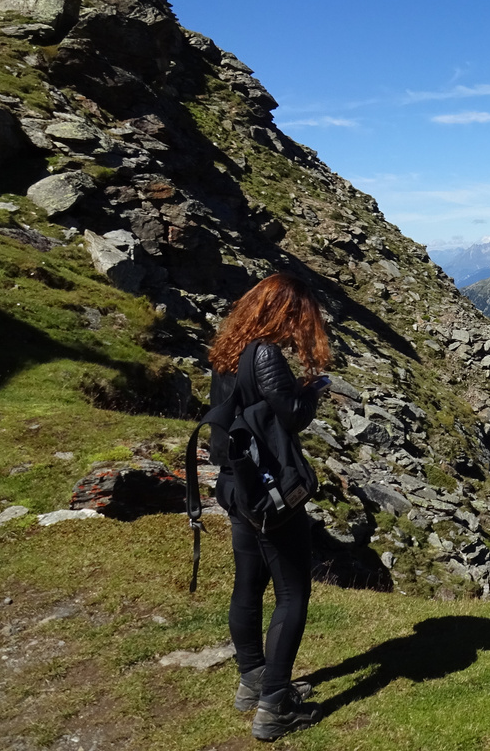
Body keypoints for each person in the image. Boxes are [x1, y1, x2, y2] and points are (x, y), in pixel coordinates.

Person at [206, 273, 330, 741]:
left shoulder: (229, 350)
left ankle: (251, 679)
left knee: (248, 583)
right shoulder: (265, 353)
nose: (303, 323)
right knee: (293, 592)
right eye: (300, 315)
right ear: (285, 312)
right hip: (270, 494)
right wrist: (313, 389)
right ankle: (275, 705)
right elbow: (292, 416)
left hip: (237, 486)